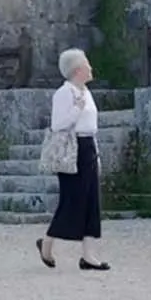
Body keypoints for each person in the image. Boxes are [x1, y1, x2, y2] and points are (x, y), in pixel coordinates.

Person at [34, 48, 109, 271]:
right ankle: (47, 243)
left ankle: (88, 255)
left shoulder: (86, 92)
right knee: (72, 200)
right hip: (71, 149)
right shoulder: (64, 93)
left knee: (92, 202)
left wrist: (97, 155)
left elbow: (91, 127)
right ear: (77, 69)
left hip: (88, 147)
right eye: (87, 65)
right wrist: (76, 110)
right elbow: (58, 125)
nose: (91, 68)